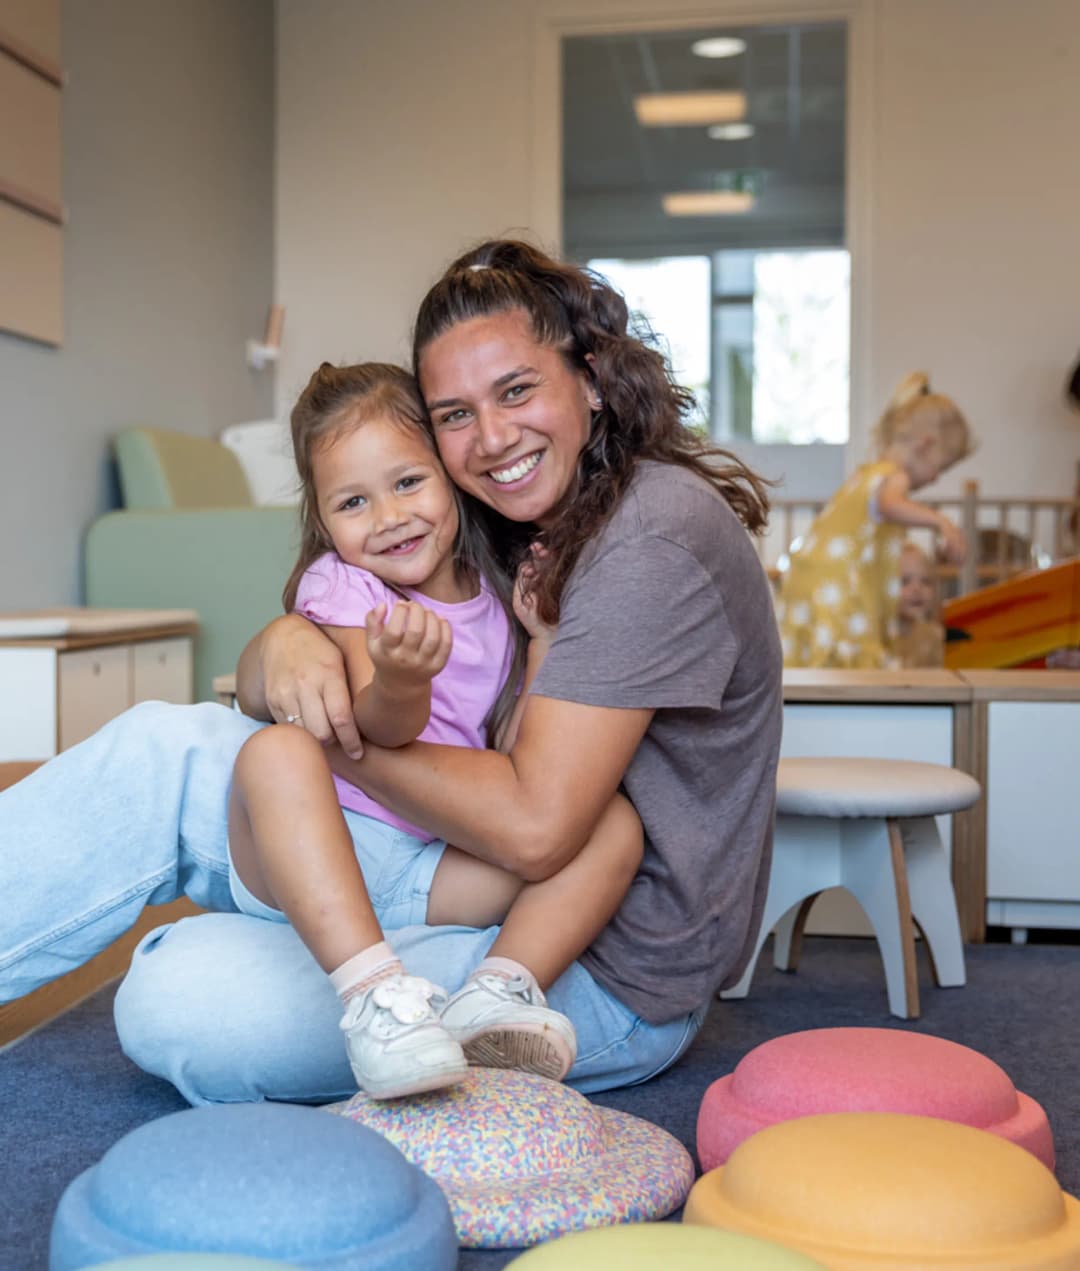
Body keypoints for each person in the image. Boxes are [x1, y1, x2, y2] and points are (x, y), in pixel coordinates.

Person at [0, 239, 782, 1106]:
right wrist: (283, 643)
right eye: (454, 413)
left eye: (517, 389)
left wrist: (317, 736)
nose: (491, 438)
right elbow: (298, 664)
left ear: (591, 378)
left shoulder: (648, 538)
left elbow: (537, 827)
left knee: (176, 994)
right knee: (159, 746)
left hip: (586, 958)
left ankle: (345, 961)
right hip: (423, 843)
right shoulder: (510, 513)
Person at [229, 360, 640, 1098]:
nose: (389, 517)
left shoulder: (493, 596)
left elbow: (520, 756)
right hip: (335, 848)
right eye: (354, 501)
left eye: (408, 483)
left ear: (450, 477)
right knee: (275, 751)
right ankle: (375, 999)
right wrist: (399, 678)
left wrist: (540, 638)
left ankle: (500, 990)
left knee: (610, 822)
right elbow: (374, 730)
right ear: (324, 522)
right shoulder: (344, 584)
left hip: (435, 868)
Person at [777, 372, 973, 668]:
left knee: (823, 656)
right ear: (925, 445)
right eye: (939, 468)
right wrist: (940, 521)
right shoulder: (894, 476)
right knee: (849, 657)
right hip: (837, 585)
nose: (934, 478)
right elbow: (889, 504)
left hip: (814, 580)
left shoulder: (867, 473)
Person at [890, 541, 945, 668]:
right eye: (905, 581)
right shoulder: (878, 640)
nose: (917, 589)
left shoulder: (936, 637)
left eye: (925, 581)